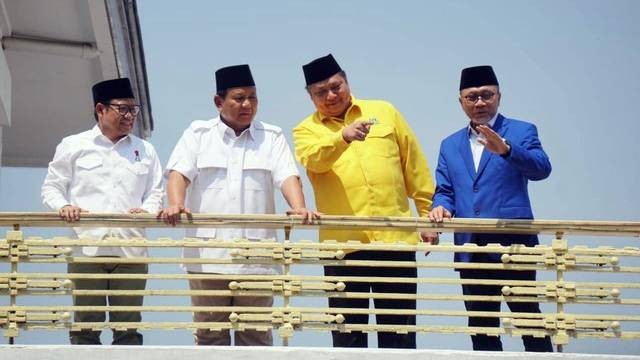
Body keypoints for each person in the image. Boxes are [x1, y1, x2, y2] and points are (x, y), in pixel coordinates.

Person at [158, 64, 317, 346]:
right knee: (210, 337)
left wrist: (299, 206)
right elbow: (178, 174)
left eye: (253, 98)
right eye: (239, 98)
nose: (248, 105)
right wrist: (176, 205)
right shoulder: (198, 134)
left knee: (255, 337)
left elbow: (288, 176)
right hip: (207, 258)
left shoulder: (272, 136)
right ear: (219, 102)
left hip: (257, 260)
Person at [292, 54, 437, 348]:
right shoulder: (305, 130)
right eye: (321, 92)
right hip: (342, 248)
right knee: (348, 337)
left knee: (400, 337)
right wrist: (342, 137)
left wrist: (426, 213)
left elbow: (414, 165)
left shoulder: (384, 111)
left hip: (394, 240)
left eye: (336, 86)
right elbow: (314, 161)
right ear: (310, 97)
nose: (331, 96)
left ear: (347, 81)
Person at [428, 65, 553, 352]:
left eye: (486, 95)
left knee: (528, 321)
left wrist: (507, 150)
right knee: (482, 330)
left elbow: (542, 169)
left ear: (499, 96)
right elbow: (446, 191)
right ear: (461, 102)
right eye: (472, 97)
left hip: (514, 244)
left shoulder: (521, 131)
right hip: (471, 246)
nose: (480, 102)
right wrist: (440, 209)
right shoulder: (449, 144)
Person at [41, 78, 163, 345]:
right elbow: (52, 187)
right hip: (86, 247)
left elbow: (156, 191)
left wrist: (146, 210)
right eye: (123, 109)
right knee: (85, 327)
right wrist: (64, 206)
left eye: (134, 109)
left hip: (131, 248)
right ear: (100, 109)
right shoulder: (74, 145)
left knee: (128, 329)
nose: (130, 116)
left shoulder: (145, 150)